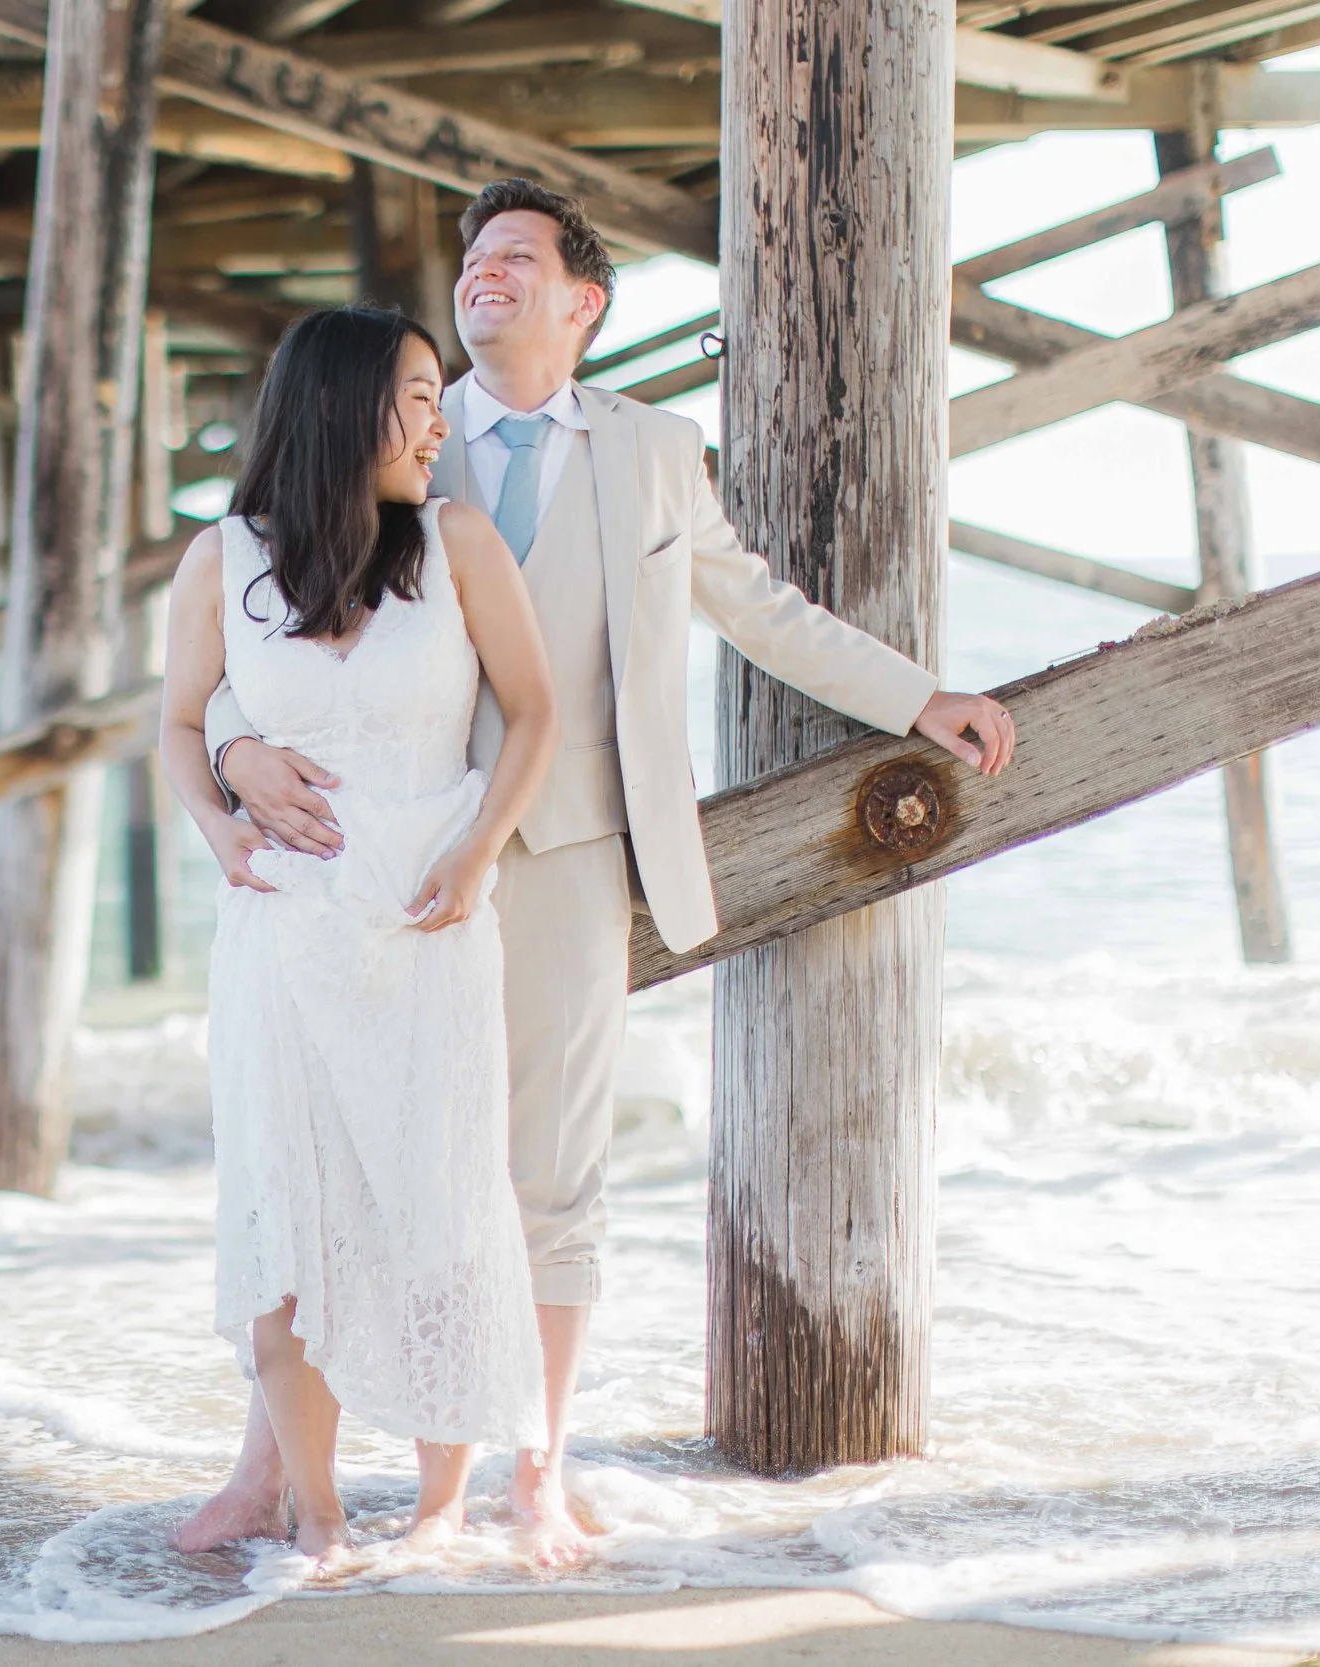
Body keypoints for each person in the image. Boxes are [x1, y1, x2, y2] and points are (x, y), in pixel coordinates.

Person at [177, 179, 1017, 1564]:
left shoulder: (653, 450)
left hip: (566, 844)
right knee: (320, 1155)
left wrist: (919, 697)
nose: (482, 270)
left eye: (516, 254)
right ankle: (271, 1469)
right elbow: (260, 621)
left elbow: (761, 609)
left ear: (585, 300)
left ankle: (536, 1471)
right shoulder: (395, 431)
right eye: (473, 254)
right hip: (377, 850)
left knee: (545, 1175)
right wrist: (232, 747)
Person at [158, 306, 563, 1559]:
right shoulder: (220, 558)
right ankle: (318, 1515)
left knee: (442, 1214)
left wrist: (479, 847)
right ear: (341, 404)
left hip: (428, 925)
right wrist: (219, 828)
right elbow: (179, 723)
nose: (440, 422)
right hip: (283, 934)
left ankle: (440, 1510)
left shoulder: (455, 541)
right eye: (419, 395)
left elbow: (536, 711)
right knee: (290, 1219)